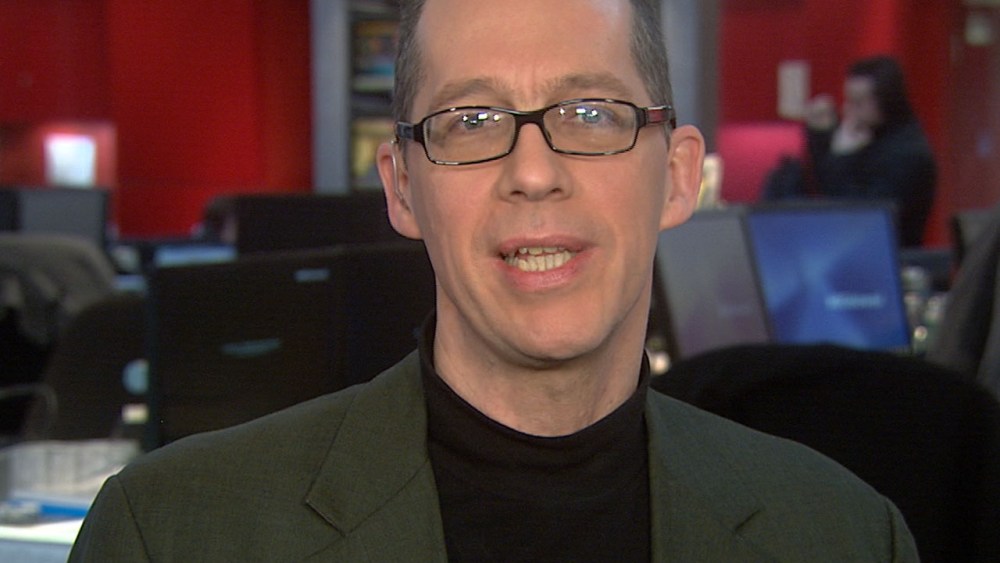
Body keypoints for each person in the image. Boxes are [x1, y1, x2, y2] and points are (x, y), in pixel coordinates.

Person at [69, 1, 918, 560]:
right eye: (471, 121)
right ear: (403, 187)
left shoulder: (846, 535)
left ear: (677, 176)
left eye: (591, 114)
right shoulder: (169, 532)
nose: (534, 173)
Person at [804, 55, 937, 247]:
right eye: (848, 100)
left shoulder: (908, 153)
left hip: (891, 254)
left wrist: (840, 156)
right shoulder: (866, 136)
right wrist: (821, 137)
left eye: (858, 103)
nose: (848, 110)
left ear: (886, 101)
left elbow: (857, 215)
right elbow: (824, 185)